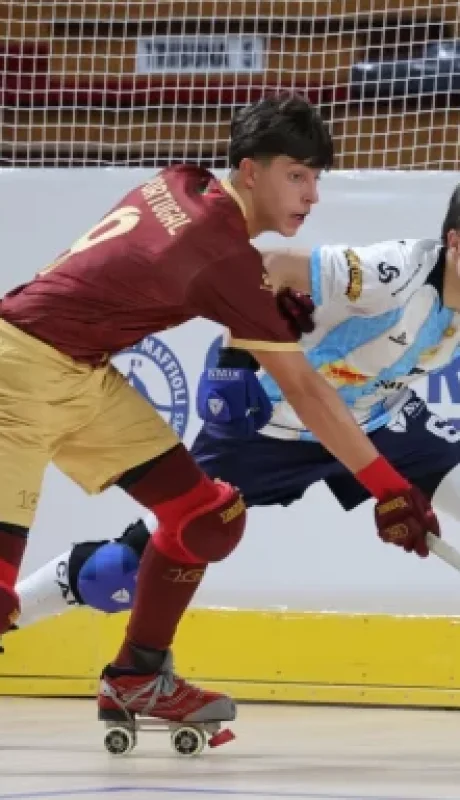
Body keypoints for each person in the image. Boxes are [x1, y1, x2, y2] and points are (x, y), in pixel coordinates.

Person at [0, 94, 437, 735]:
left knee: (207, 516)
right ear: (249, 170)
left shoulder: (180, 180)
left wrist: (255, 313)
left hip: (79, 372)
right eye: (296, 174)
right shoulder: (228, 260)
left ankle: (137, 675)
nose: (311, 194)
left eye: (317, 178)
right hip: (17, 373)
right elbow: (311, 393)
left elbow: (165, 266)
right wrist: (390, 489)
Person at [9, 184, 460, 649]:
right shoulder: (396, 270)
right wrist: (235, 360)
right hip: (270, 422)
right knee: (120, 572)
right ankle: (15, 612)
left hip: (378, 421)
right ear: (454, 243)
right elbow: (270, 265)